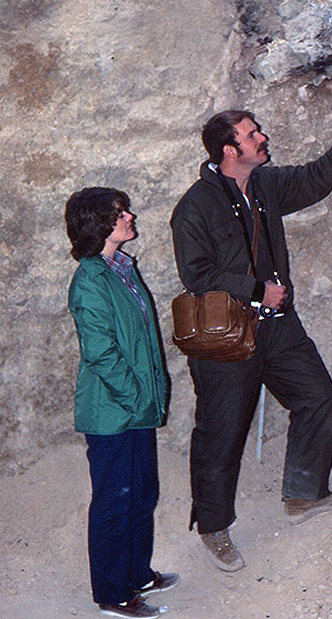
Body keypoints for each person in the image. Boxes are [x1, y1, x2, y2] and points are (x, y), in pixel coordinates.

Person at [170, 101, 332, 572]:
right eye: (252, 133)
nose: (262, 136)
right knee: (221, 434)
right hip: (225, 339)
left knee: (317, 397)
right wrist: (258, 288)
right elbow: (197, 274)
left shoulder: (263, 185)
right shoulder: (194, 208)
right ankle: (213, 528)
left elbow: (314, 180)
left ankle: (304, 494)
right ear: (229, 150)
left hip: (277, 328)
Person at [65, 187, 179, 619]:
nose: (129, 216)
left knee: (141, 492)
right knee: (115, 500)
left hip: (134, 408)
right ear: (99, 225)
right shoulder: (91, 280)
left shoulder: (120, 269)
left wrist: (147, 399)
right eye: (118, 213)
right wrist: (137, 398)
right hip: (113, 411)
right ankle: (112, 594)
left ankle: (136, 574)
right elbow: (101, 353)